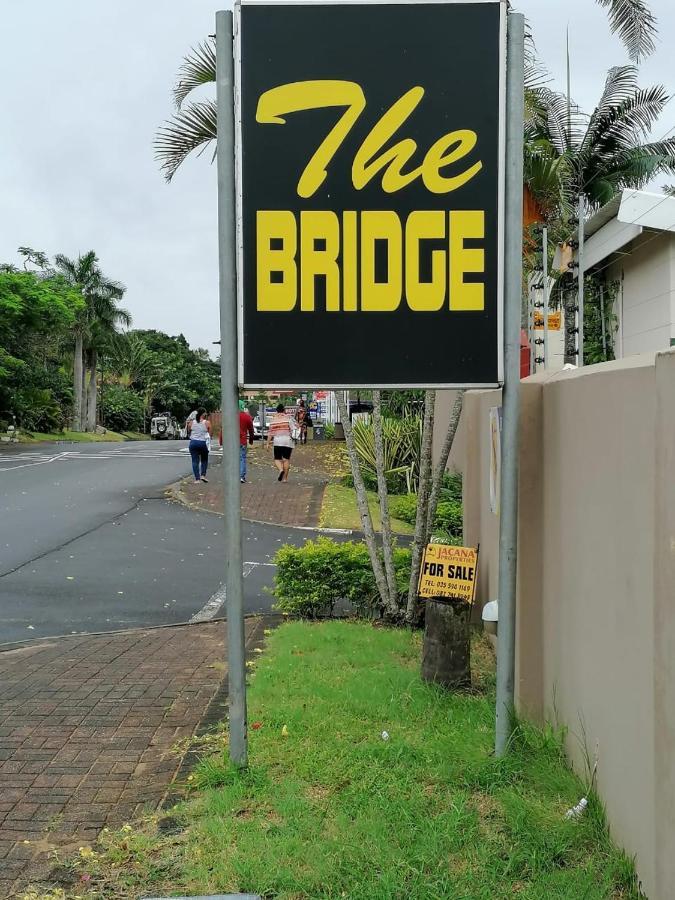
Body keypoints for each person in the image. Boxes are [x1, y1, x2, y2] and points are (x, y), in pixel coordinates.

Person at [267, 403, 297, 482]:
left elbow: (270, 433)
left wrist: (267, 443)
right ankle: (285, 479)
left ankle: (280, 470)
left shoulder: (273, 420)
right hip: (288, 441)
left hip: (277, 441)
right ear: (284, 410)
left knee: (277, 459)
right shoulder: (288, 418)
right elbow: (294, 428)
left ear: (276, 411)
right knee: (286, 459)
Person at [188, 408, 211, 483]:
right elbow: (210, 433)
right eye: (205, 413)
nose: (206, 414)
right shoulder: (207, 422)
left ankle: (197, 479)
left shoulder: (191, 422)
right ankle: (203, 475)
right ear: (203, 414)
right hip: (202, 443)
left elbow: (189, 431)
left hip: (193, 443)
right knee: (204, 459)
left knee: (195, 461)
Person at [239, 400, 255, 483]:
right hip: (242, 440)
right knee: (242, 458)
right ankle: (241, 476)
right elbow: (251, 430)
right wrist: (251, 439)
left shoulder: (230, 415)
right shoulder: (246, 417)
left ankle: (232, 475)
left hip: (231, 442)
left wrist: (221, 440)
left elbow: (223, 428)